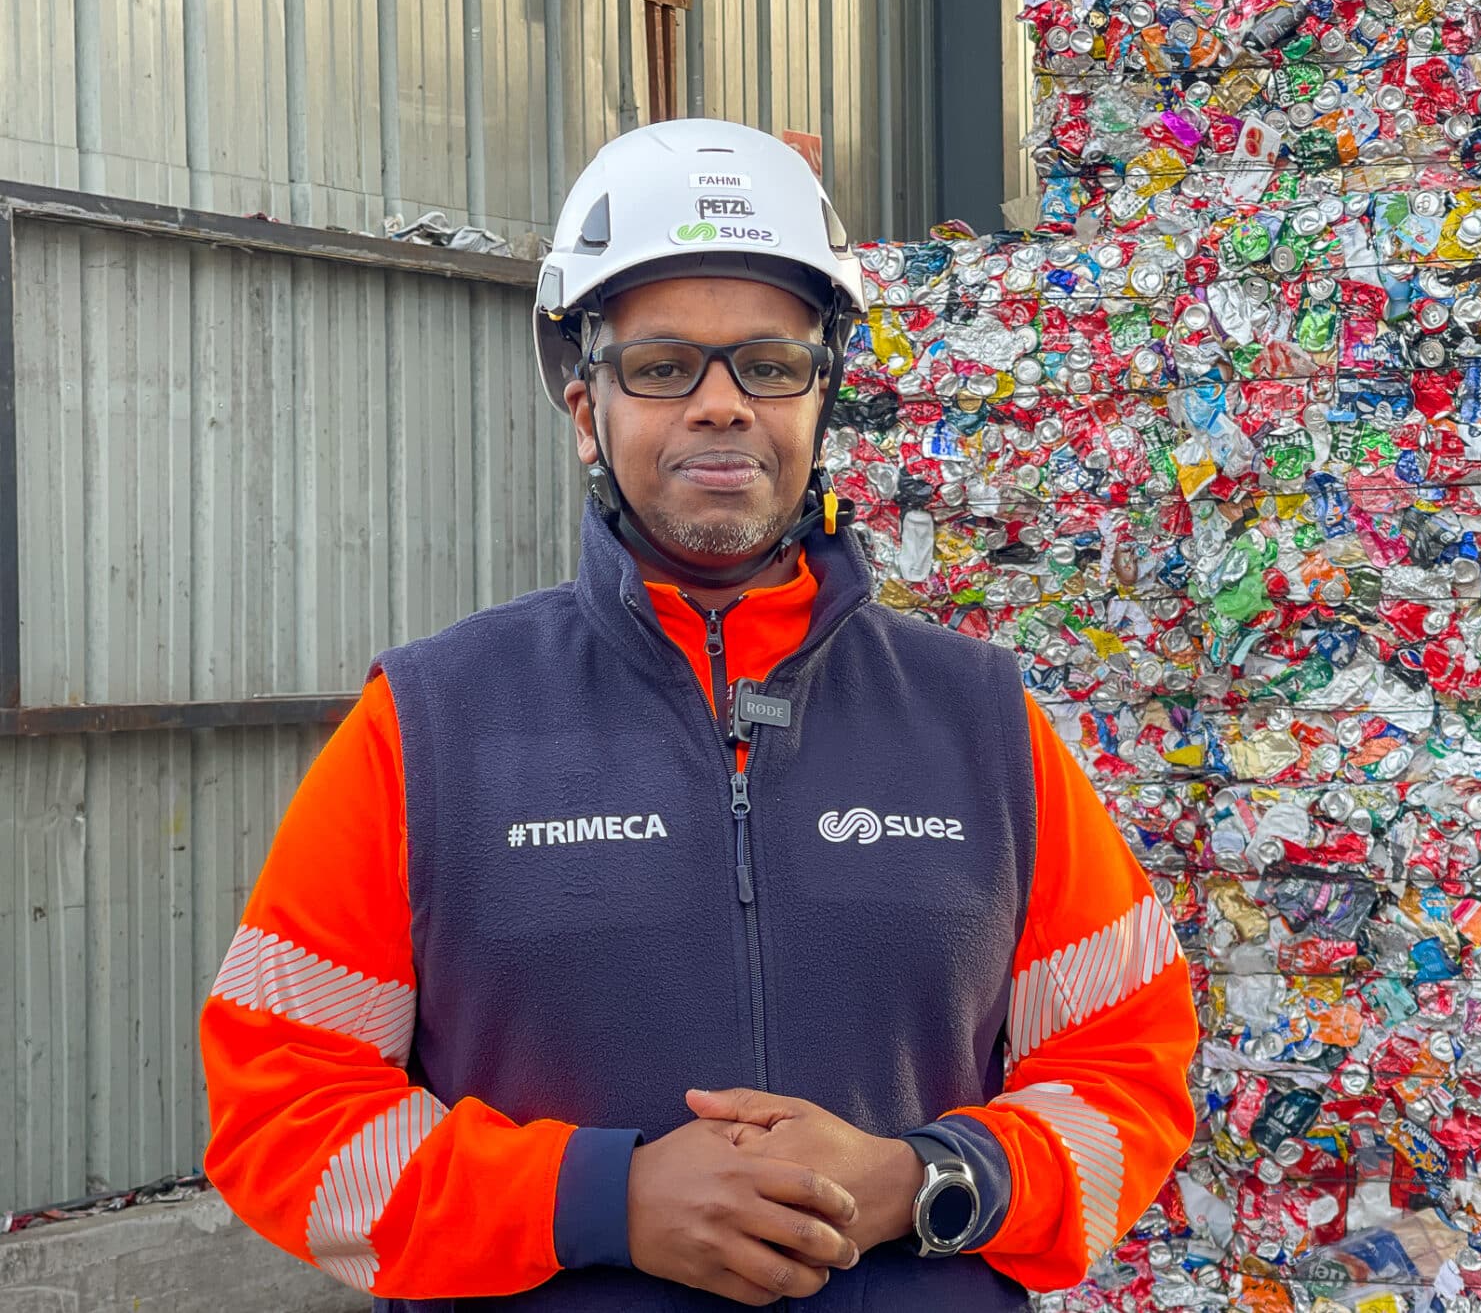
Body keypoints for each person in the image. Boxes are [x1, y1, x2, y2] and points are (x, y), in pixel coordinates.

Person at [197, 118, 1199, 1311]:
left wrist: (919, 1180)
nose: (722, 405)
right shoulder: (431, 724)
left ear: (819, 395)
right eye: (665, 365)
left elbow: (1130, 1066)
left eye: (767, 364)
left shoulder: (979, 722)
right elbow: (281, 1101)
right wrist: (597, 1200)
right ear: (586, 406)